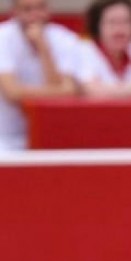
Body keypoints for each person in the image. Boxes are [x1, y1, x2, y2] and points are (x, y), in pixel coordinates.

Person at [0, 0, 81, 150]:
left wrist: (43, 47)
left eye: (40, 8)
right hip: (4, 136)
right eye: (27, 9)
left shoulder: (66, 39)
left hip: (51, 136)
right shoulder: (2, 38)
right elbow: (11, 93)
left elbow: (69, 93)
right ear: (15, 12)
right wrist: (58, 92)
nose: (35, 15)